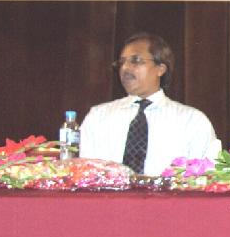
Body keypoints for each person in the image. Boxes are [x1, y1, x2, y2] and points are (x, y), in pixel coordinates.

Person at [80, 32, 218, 175]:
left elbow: (206, 177)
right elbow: (84, 174)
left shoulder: (192, 121)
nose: (125, 68)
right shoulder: (98, 117)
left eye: (136, 60)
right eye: (122, 62)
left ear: (160, 69)